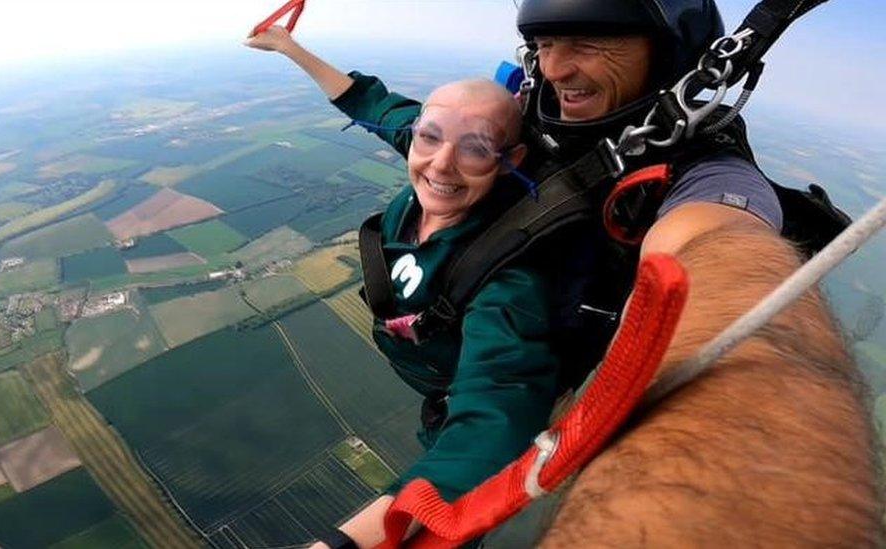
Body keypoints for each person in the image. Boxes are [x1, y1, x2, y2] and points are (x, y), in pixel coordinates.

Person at [248, 0, 884, 542]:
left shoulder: (707, 176)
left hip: (502, 384)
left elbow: (722, 254)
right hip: (446, 363)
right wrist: (290, 48)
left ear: (666, 54)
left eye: (588, 42)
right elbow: (390, 114)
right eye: (545, 42)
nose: (554, 67)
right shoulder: (520, 125)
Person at [247, 29, 573, 548]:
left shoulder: (507, 274)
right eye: (429, 137)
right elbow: (371, 102)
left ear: (510, 159)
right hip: (429, 373)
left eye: (475, 150)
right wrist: (289, 46)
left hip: (452, 402)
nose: (441, 164)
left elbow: (494, 424)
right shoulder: (434, 148)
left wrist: (344, 543)